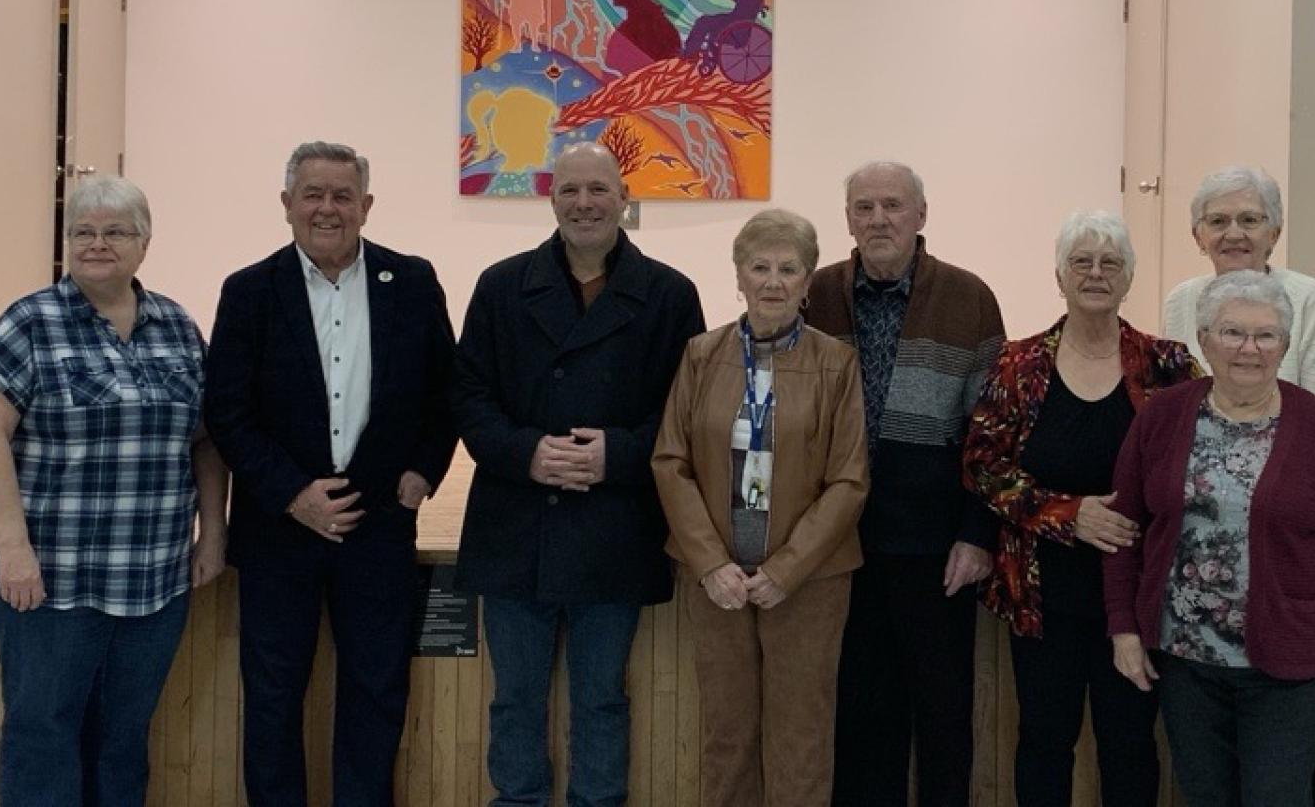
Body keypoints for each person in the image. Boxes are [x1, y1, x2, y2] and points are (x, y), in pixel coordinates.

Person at [0, 175, 228, 804]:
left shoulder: (176, 325)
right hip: (51, 579)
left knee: (122, 736)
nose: (97, 244)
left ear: (144, 243)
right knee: (43, 731)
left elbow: (208, 438)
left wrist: (213, 530)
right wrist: (14, 549)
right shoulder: (30, 322)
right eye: (83, 232)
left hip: (153, 579)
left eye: (115, 232)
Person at [205, 141, 459, 806]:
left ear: (366, 207)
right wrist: (291, 493)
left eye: (343, 196)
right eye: (313, 194)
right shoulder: (250, 291)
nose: (327, 208)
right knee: (272, 695)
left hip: (378, 527)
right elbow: (226, 411)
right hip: (276, 531)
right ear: (287, 204)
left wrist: (424, 471)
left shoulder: (412, 281)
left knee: (377, 690)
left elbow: (446, 390)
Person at [453, 141, 705, 807]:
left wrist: (616, 455)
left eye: (599, 190)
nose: (585, 203)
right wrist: (526, 452)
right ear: (551, 197)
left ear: (626, 197)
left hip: (615, 529)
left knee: (601, 701)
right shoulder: (501, 286)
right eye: (571, 191)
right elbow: (469, 398)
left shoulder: (670, 296)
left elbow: (688, 416)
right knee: (514, 701)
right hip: (515, 527)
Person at [1104, 270, 1315, 807]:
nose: (1248, 349)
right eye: (1232, 333)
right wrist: (1123, 628)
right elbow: (1124, 528)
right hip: (1186, 660)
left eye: (1266, 335)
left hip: (1290, 665)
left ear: (1286, 344)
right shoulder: (1162, 415)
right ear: (1204, 340)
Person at [962, 211, 1199, 806]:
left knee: (1130, 741)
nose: (1096, 273)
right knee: (1043, 740)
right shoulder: (1017, 366)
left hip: (1141, 590)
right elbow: (982, 467)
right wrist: (1070, 514)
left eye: (1110, 263)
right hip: (1042, 593)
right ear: (1060, 277)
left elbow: (1208, 455)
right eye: (1082, 262)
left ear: (1128, 278)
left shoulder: (1168, 366)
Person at [652, 208, 869, 806]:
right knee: (727, 736)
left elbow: (849, 480)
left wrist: (786, 570)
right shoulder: (701, 355)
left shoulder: (836, 364)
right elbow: (671, 462)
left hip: (809, 583)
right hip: (716, 581)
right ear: (739, 276)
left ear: (807, 283)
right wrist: (709, 562)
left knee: (801, 738)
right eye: (760, 267)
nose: (773, 281)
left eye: (788, 269)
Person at [806, 160, 1006, 807]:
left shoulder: (970, 298)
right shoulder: (817, 294)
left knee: (943, 719)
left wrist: (977, 536)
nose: (878, 220)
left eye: (892, 205)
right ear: (847, 220)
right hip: (839, 547)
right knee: (861, 719)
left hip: (935, 548)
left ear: (922, 215)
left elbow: (992, 432)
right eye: (864, 208)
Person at [1162, 166, 1315, 403]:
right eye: (1218, 221)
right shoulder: (1181, 300)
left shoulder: (1308, 297)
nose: (1234, 234)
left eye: (1249, 220)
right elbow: (1174, 401)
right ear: (1198, 236)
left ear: (1274, 234)